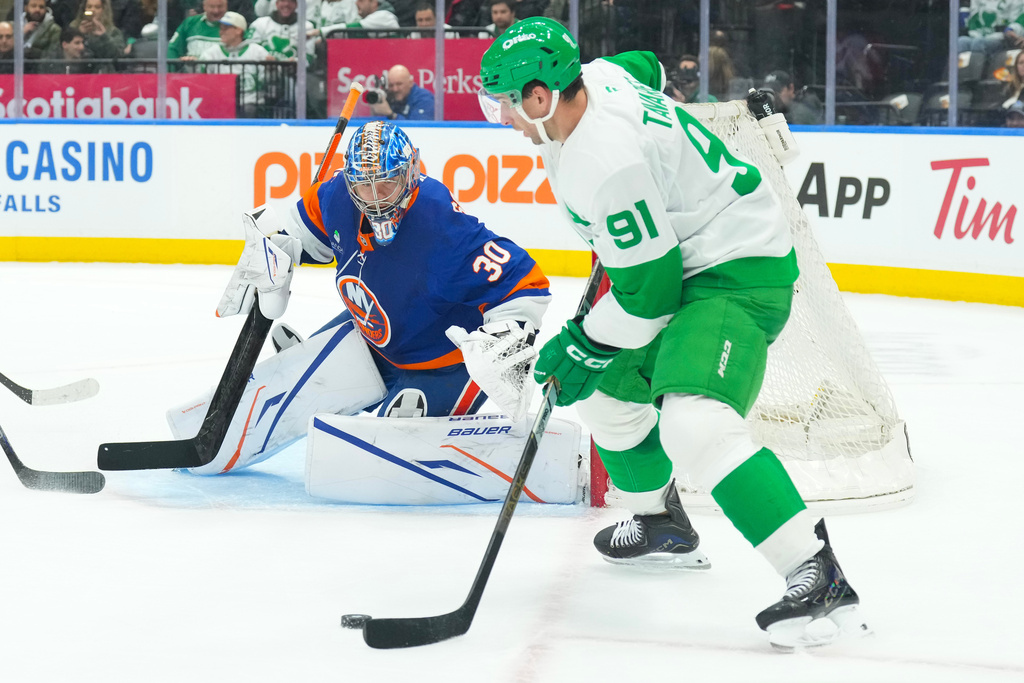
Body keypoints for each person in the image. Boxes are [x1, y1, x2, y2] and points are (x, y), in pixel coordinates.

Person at [478, 17, 869, 650]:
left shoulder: (598, 163)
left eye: (505, 100)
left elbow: (650, 295)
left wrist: (578, 344)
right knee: (604, 393)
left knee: (695, 423)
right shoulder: (599, 76)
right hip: (688, 261)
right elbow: (647, 67)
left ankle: (815, 571)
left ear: (541, 97)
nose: (502, 115)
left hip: (738, 269)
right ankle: (662, 522)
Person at [179, 121, 551, 476]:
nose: (373, 200)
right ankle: (316, 365)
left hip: (444, 361)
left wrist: (507, 335)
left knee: (394, 450)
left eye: (386, 184)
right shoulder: (338, 193)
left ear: (410, 173)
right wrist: (276, 250)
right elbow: (301, 233)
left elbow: (526, 282)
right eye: (364, 186)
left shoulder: (443, 227)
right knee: (302, 378)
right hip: (371, 334)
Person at [198, 10, 269, 116]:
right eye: (221, 28)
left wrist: (272, 68)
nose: (221, 32)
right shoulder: (211, 53)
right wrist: (189, 64)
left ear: (238, 30)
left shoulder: (258, 52)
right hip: (220, 103)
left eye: (226, 28)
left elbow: (268, 81)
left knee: (249, 110)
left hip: (251, 103)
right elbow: (200, 79)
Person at [249, 0, 313, 64]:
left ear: (296, 5)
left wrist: (296, 62)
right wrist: (264, 58)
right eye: (282, 0)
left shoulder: (307, 27)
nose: (286, 4)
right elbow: (250, 51)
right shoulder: (259, 24)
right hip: (262, 71)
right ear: (276, 4)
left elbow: (309, 57)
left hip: (292, 72)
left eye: (291, 1)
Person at [168, 0, 232, 60]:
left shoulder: (235, 25)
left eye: (220, 6)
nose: (216, 11)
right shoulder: (190, 23)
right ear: (204, 7)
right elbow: (173, 49)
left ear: (226, 6)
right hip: (192, 70)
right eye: (212, 7)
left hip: (224, 70)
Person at [368, 63, 434, 120]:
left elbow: (418, 129)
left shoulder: (424, 99)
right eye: (391, 85)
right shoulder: (389, 96)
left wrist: (391, 114)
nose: (395, 89)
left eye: (399, 84)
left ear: (410, 83)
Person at [958, 0, 1024, 53]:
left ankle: (980, 69)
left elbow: (1019, 20)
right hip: (977, 35)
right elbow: (973, 17)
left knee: (978, 43)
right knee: (961, 42)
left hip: (1001, 37)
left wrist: (1011, 29)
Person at [309, 0, 397, 39]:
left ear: (374, 3)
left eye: (361, 0)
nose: (356, 3)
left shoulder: (384, 16)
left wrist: (319, 32)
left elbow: (352, 28)